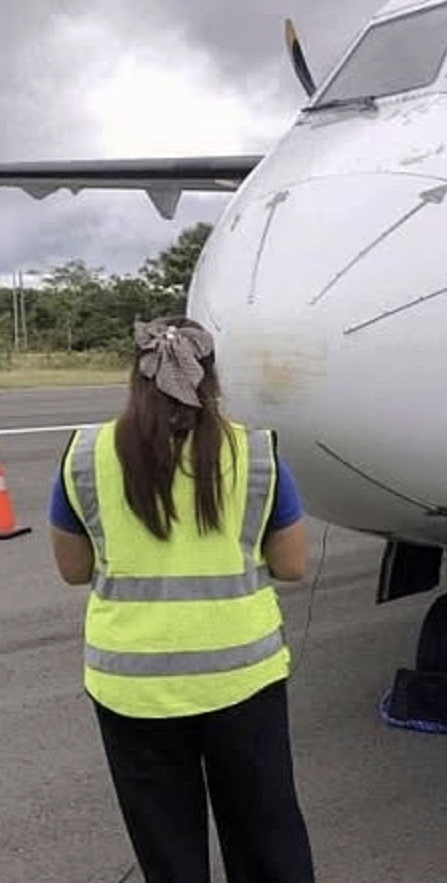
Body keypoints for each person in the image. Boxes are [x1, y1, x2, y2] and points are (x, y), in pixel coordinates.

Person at [48, 317, 316, 883]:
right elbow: (292, 566)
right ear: (210, 378)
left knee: (168, 850)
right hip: (241, 679)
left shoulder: (86, 455)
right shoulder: (257, 454)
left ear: (136, 376)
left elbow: (73, 570)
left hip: (131, 686)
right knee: (266, 839)